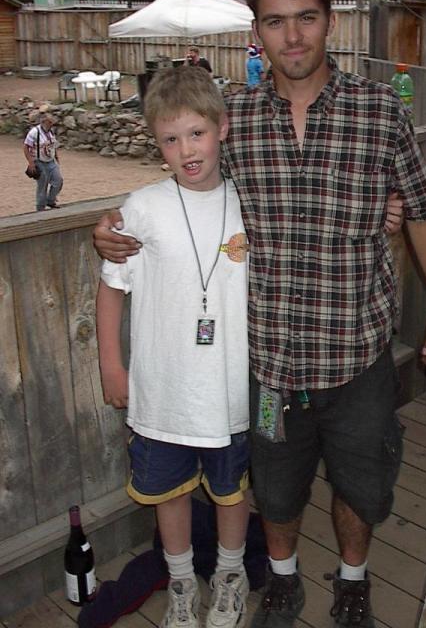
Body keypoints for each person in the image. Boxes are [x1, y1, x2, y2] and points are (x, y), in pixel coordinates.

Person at [93, 0, 426, 628]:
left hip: (358, 359)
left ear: (330, 22)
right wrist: (113, 225)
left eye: (306, 18)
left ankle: (353, 582)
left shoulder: (381, 111)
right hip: (269, 373)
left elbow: (423, 206)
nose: (292, 36)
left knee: (363, 486)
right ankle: (283, 583)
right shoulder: (234, 120)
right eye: (275, 21)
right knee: (276, 488)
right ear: (256, 31)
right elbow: (187, 186)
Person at [96, 66, 251, 628]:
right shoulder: (140, 208)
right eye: (170, 138)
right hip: (163, 391)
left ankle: (230, 575)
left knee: (233, 491)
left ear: (221, 128)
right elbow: (112, 290)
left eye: (196, 133)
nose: (186, 150)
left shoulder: (249, 202)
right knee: (169, 492)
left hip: (232, 388)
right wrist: (112, 366)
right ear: (156, 143)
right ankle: (181, 582)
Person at [23, 112, 63, 211]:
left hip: (50, 161)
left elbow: (53, 146)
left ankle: (51, 200)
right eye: (50, 122)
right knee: (43, 184)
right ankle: (40, 207)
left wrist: (56, 158)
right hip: (39, 161)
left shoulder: (51, 132)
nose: (52, 124)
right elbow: (26, 147)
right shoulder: (34, 132)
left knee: (58, 181)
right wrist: (31, 162)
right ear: (44, 122)